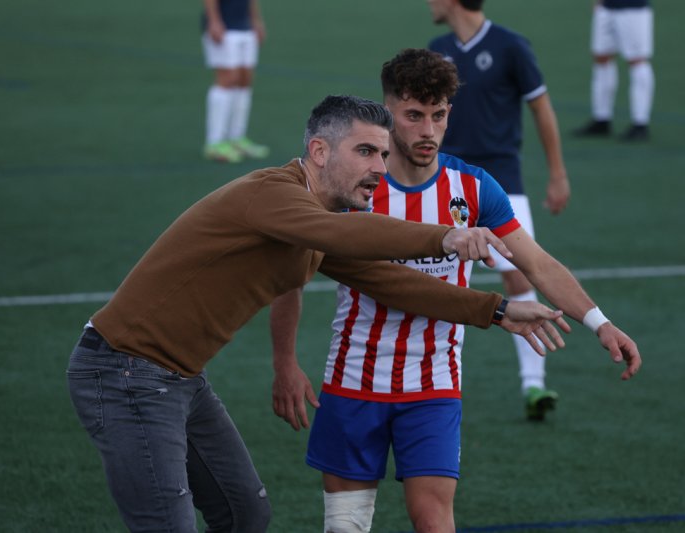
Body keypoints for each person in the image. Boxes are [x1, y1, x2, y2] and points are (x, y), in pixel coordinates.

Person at [66, 94, 572, 532]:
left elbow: (387, 279)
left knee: (245, 515)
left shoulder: (315, 221)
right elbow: (345, 235)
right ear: (319, 151)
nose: (380, 165)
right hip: (124, 371)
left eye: (382, 151)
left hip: (179, 379)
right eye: (365, 151)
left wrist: (497, 309)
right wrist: (445, 235)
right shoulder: (274, 196)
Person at [269, 49, 642, 533]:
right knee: (345, 526)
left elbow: (537, 263)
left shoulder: (474, 187)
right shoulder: (354, 190)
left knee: (434, 521)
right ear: (388, 114)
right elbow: (290, 278)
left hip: (434, 387)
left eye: (439, 115)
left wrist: (600, 322)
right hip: (352, 379)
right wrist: (284, 364)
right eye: (413, 116)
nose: (427, 130)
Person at [427, 0, 572, 420]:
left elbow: (542, 109)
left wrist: (557, 174)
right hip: (448, 182)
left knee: (518, 270)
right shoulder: (437, 48)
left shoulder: (510, 45)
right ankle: (433, 380)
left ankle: (534, 384)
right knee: (436, 274)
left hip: (503, 183)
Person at [573, 0, 655, 141]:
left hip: (633, 8)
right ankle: (602, 118)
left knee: (637, 60)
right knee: (601, 57)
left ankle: (640, 123)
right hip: (607, 7)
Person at [201, 0, 270, 163]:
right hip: (225, 26)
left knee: (245, 80)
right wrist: (214, 21)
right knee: (227, 79)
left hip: (244, 26)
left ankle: (237, 138)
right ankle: (214, 142)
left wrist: (256, 21)